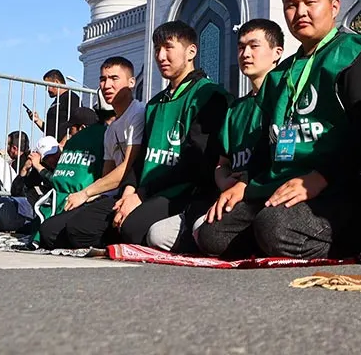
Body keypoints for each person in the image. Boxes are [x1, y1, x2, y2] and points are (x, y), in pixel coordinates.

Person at [196, 0, 361, 260]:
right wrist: (244, 183)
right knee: (212, 232)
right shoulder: (281, 74)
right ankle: (281, 241)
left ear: (334, 6)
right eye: (291, 5)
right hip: (285, 184)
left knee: (274, 227)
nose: (300, 11)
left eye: (310, 2)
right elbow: (267, 142)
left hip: (346, 185)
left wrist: (320, 176)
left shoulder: (354, 53)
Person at [115, 22, 229, 251]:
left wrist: (141, 195)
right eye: (157, 49)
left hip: (184, 190)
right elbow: (143, 156)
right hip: (149, 190)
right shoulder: (155, 103)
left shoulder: (209, 95)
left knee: (130, 228)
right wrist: (129, 190)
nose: (161, 56)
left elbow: (196, 165)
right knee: (86, 227)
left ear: (191, 51)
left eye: (168, 47)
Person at [186, 19, 284, 246]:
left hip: (268, 193)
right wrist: (225, 182)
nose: (245, 54)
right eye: (241, 47)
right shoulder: (235, 109)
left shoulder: (285, 99)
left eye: (254, 46)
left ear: (277, 52)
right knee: (174, 232)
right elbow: (223, 163)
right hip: (235, 196)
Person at [37, 57, 146, 249]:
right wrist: (88, 197)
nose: (107, 85)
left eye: (114, 78)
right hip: (111, 196)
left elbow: (127, 167)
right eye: (103, 79)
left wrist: (85, 193)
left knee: (78, 229)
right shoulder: (110, 130)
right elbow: (106, 175)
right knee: (48, 230)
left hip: (134, 193)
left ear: (131, 82)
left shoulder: (138, 114)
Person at [35, 106, 112, 228]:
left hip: (87, 203)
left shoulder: (103, 141)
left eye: (71, 129)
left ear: (82, 128)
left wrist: (39, 168)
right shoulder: (75, 145)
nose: (69, 134)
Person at [28, 69, 83, 145]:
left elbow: (76, 124)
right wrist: (37, 120)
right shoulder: (56, 101)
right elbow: (49, 129)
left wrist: (62, 145)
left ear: (56, 82)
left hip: (65, 147)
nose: (47, 89)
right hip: (52, 147)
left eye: (48, 85)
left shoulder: (72, 98)